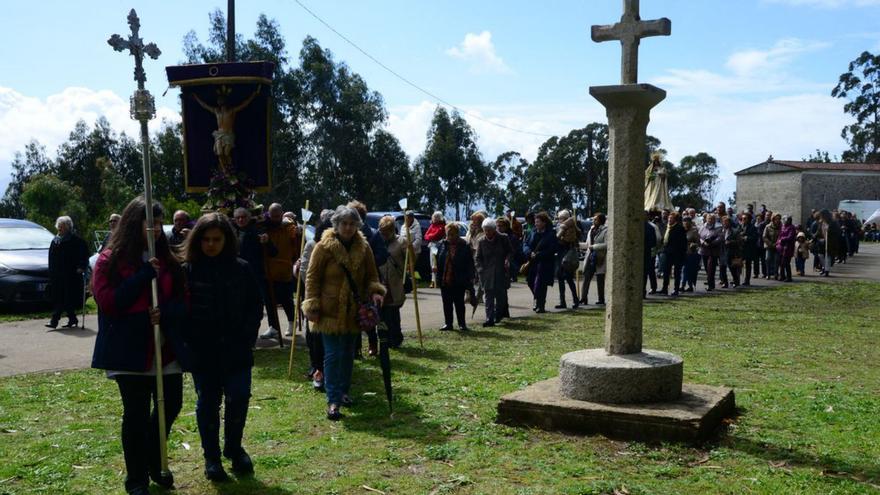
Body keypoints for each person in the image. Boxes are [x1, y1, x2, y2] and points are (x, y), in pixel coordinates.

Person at [90, 197, 187, 495]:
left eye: (159, 223)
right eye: (149, 223)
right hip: (129, 350)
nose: (156, 229)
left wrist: (166, 312)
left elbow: (183, 300)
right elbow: (108, 303)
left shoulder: (168, 259)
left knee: (171, 405)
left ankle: (154, 461)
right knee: (136, 414)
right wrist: (144, 275)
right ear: (135, 224)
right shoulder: (110, 260)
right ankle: (136, 479)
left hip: (164, 348)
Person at [181, 213, 262, 481]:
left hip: (237, 349)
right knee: (208, 404)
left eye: (217, 239)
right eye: (205, 239)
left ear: (227, 239)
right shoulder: (188, 270)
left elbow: (255, 305)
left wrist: (248, 337)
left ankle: (234, 448)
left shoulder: (242, 268)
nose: (211, 244)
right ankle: (211, 458)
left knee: (239, 398)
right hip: (204, 352)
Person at [303, 206, 385, 421]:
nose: (348, 228)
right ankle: (333, 400)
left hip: (353, 310)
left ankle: (343, 392)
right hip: (329, 310)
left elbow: (371, 275)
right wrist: (311, 305)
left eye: (352, 224)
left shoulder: (364, 247)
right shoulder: (323, 247)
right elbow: (312, 278)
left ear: (357, 225)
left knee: (348, 354)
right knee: (332, 355)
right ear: (336, 225)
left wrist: (376, 292)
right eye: (344, 223)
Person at [260, 203, 300, 339]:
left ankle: (291, 323)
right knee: (269, 301)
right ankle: (273, 327)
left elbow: (296, 239)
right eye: (273, 216)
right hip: (267, 269)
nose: (275, 218)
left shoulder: (288, 226)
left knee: (286, 299)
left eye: (278, 216)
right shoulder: (265, 226)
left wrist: (297, 229)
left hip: (284, 268)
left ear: (282, 213)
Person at [46, 216, 89, 329]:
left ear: (68, 227)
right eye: (59, 225)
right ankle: (72, 318)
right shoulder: (55, 240)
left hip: (71, 274)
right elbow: (51, 257)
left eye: (63, 225)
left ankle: (54, 321)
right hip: (57, 274)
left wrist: (81, 266)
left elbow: (84, 255)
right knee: (59, 297)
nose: (60, 227)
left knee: (67, 297)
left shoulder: (76, 240)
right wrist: (51, 270)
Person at [375, 216, 407, 349]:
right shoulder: (377, 242)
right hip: (380, 283)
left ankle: (396, 338)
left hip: (395, 283)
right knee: (381, 314)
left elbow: (409, 262)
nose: (384, 234)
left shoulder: (401, 242)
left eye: (387, 231)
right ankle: (383, 338)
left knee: (393, 313)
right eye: (382, 231)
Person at [437, 222, 474, 332]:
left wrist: (469, 278)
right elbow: (439, 262)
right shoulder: (442, 245)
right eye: (448, 234)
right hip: (445, 279)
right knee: (447, 303)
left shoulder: (465, 246)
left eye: (453, 234)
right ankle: (448, 323)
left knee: (459, 303)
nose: (450, 237)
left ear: (457, 234)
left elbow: (469, 264)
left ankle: (462, 324)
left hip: (459, 279)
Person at [475, 217, 513, 327]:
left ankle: (498, 315)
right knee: (488, 297)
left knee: (501, 297)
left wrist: (507, 259)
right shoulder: (481, 241)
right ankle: (489, 319)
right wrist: (480, 270)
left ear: (494, 229)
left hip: (501, 272)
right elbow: (477, 258)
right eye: (485, 230)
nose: (487, 232)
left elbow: (510, 251)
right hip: (486, 274)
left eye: (489, 230)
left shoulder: (503, 238)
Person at [524, 212, 557, 313]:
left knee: (541, 284)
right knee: (530, 281)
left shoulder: (551, 234)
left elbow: (552, 249)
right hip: (532, 262)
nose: (536, 224)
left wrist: (539, 254)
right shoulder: (532, 232)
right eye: (535, 222)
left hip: (544, 263)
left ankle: (540, 305)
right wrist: (529, 253)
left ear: (544, 222)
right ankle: (537, 299)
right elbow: (525, 244)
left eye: (538, 222)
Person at [579, 212, 607, 305]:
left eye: (595, 219)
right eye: (593, 219)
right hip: (590, 257)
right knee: (586, 277)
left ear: (601, 221)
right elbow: (587, 244)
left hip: (600, 258)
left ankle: (601, 299)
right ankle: (583, 298)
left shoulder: (606, 231)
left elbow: (607, 244)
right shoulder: (591, 230)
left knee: (600, 279)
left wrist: (594, 247)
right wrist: (577, 244)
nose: (593, 221)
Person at [554, 210, 580, 309]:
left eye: (560, 218)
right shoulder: (571, 226)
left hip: (566, 254)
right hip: (563, 253)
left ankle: (573, 300)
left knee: (568, 278)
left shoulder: (566, 227)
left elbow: (559, 237)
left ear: (564, 218)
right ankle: (565, 301)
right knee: (562, 278)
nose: (559, 220)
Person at [661, 212, 686, 296]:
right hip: (667, 252)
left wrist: (682, 254)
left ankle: (676, 289)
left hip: (677, 254)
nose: (669, 219)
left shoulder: (679, 228)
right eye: (668, 218)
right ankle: (664, 289)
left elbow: (683, 243)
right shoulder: (667, 227)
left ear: (675, 219)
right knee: (666, 271)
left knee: (676, 272)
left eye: (671, 218)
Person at [699, 213, 722, 291]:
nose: (710, 220)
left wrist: (712, 242)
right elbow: (699, 237)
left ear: (714, 220)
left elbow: (720, 237)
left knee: (711, 267)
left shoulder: (718, 228)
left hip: (713, 250)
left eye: (712, 219)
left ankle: (710, 285)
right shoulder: (702, 227)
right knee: (706, 267)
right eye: (709, 218)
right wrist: (702, 242)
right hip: (704, 249)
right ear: (706, 219)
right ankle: (710, 282)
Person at [424, 211, 446, 289]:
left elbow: (437, 234)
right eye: (433, 217)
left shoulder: (442, 226)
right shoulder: (432, 225)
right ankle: (433, 281)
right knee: (432, 264)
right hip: (432, 246)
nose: (433, 219)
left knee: (438, 264)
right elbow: (426, 236)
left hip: (439, 246)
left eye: (435, 217)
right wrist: (431, 236)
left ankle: (438, 280)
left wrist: (430, 236)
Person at [720, 215, 742, 288]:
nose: (725, 223)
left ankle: (736, 281)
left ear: (729, 223)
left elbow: (739, 241)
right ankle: (725, 283)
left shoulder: (735, 231)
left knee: (732, 268)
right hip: (722, 251)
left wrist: (730, 242)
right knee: (722, 268)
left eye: (727, 222)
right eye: (724, 222)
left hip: (731, 252)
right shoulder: (721, 230)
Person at [739, 212, 758, 286]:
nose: (743, 220)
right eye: (742, 218)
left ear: (749, 219)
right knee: (737, 264)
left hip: (749, 249)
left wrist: (746, 238)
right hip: (740, 248)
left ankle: (747, 280)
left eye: (745, 218)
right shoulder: (739, 226)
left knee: (748, 265)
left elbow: (755, 237)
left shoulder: (753, 227)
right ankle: (736, 279)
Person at [776, 215, 797, 282]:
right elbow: (780, 235)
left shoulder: (792, 228)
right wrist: (778, 242)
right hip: (781, 247)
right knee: (781, 262)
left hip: (788, 247)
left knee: (786, 262)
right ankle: (782, 276)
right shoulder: (783, 226)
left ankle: (789, 277)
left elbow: (790, 237)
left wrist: (782, 239)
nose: (784, 221)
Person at [682, 216, 701, 292]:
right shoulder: (681, 230)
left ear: (690, 222)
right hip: (682, 252)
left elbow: (698, 242)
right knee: (684, 269)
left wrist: (693, 244)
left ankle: (686, 285)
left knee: (687, 269)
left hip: (691, 252)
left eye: (687, 221)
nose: (686, 223)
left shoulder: (694, 231)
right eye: (684, 221)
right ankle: (685, 285)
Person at [763, 214, 782, 280]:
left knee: (777, 260)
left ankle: (775, 274)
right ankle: (768, 274)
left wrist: (777, 243)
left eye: (779, 219)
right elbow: (764, 237)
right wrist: (770, 244)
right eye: (776, 219)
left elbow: (781, 236)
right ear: (773, 219)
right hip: (769, 246)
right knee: (768, 259)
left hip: (777, 246)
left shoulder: (781, 227)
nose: (777, 220)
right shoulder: (768, 226)